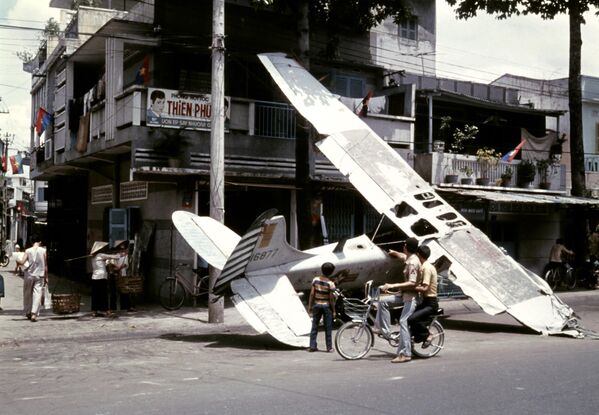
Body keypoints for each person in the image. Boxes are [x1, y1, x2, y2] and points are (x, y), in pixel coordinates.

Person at [376, 237, 420, 363]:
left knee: (403, 321)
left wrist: (392, 285)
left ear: (407, 247)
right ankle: (384, 331)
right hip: (404, 295)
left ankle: (406, 353)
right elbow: (403, 256)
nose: (403, 247)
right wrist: (394, 253)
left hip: (412, 297)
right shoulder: (410, 258)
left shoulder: (413, 262)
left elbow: (412, 282)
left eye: (404, 245)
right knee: (382, 301)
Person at [408, 245, 438, 347]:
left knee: (412, 319)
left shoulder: (427, 268)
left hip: (430, 303)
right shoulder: (424, 266)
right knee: (407, 316)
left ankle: (428, 335)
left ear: (418, 255)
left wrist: (409, 287)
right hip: (425, 301)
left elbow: (425, 288)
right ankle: (414, 337)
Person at [308, 262, 337, 353]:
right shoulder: (330, 284)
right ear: (331, 272)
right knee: (328, 327)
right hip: (326, 306)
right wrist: (334, 310)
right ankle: (329, 348)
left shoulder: (315, 280)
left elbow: (312, 294)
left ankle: (312, 346)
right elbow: (331, 298)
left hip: (316, 305)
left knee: (314, 326)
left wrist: (310, 306)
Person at [17, 235, 47, 322]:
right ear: (40, 242)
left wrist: (17, 260)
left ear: (31, 242)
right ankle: (34, 314)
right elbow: (45, 265)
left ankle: (28, 311)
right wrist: (46, 277)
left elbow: (22, 262)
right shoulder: (43, 250)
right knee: (37, 294)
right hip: (40, 275)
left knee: (27, 293)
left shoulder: (28, 251)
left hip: (29, 275)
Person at [90, 241, 122, 317]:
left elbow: (107, 260)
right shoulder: (100, 255)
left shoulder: (93, 257)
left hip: (94, 277)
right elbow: (113, 257)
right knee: (103, 294)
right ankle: (106, 310)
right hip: (101, 277)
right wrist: (119, 254)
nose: (103, 249)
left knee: (95, 295)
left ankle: (94, 311)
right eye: (102, 248)